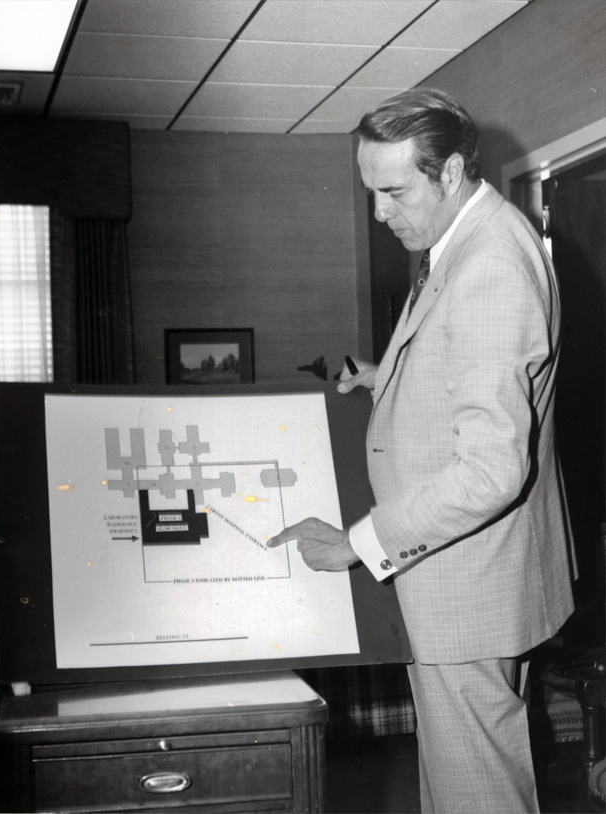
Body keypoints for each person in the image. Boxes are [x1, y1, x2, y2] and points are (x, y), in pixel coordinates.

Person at [268, 88, 576, 814]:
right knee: (463, 788)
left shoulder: (488, 265)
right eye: (370, 190)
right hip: (476, 582)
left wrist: (358, 543)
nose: (379, 212)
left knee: (478, 796)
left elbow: (491, 470)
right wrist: (389, 377)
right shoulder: (468, 238)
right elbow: (472, 373)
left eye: (395, 191)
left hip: (468, 590)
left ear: (453, 172)